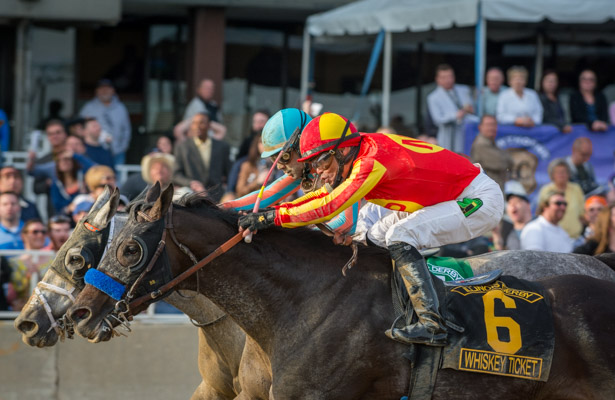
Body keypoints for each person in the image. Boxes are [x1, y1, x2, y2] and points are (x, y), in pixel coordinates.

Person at [239, 112, 504, 346]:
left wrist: (271, 218)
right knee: (371, 238)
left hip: (476, 198)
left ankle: (432, 324)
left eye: (322, 163)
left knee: (401, 236)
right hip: (445, 197)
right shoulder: (355, 148)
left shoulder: (370, 162)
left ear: (341, 152)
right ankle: (397, 309)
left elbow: (330, 204)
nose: (319, 172)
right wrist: (269, 213)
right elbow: (320, 199)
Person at [173, 112, 231, 203]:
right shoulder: (182, 147)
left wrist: (229, 191)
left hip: (217, 197)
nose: (197, 126)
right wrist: (191, 183)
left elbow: (229, 172)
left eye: (202, 123)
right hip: (192, 197)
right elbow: (176, 174)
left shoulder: (222, 146)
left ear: (209, 125)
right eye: (194, 123)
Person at [79, 79, 132, 165]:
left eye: (107, 89)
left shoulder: (120, 108)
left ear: (113, 91)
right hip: (95, 150)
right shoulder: (88, 108)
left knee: (117, 176)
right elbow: (80, 128)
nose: (104, 91)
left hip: (118, 151)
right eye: (101, 89)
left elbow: (126, 129)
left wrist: (124, 147)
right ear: (96, 91)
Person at [426, 64, 476, 152]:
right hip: (447, 137)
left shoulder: (464, 90)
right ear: (437, 79)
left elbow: (472, 110)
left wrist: (470, 110)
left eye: (450, 76)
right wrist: (455, 115)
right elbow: (437, 120)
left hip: (466, 135)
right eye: (444, 77)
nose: (448, 80)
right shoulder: (433, 97)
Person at [9, 219, 53, 311]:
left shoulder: (53, 260)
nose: (40, 235)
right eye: (35, 232)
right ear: (23, 235)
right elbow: (9, 297)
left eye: (43, 232)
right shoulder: (13, 263)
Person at [537, 159, 584, 239]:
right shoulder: (546, 190)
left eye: (564, 172)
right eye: (558, 172)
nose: (561, 174)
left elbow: (582, 214)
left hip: (575, 238)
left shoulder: (576, 189)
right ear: (552, 175)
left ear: (569, 174)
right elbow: (540, 213)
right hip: (552, 237)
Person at [470, 115, 513, 190]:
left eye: (493, 125)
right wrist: (506, 158)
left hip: (494, 188)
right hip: (486, 190)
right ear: (480, 127)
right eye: (488, 125)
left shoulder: (491, 142)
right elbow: (502, 163)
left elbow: (509, 161)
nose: (491, 128)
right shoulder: (481, 144)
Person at [493, 181, 532, 251]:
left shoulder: (540, 225)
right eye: (509, 203)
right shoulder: (508, 235)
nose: (512, 205)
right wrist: (497, 235)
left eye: (517, 201)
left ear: (528, 205)